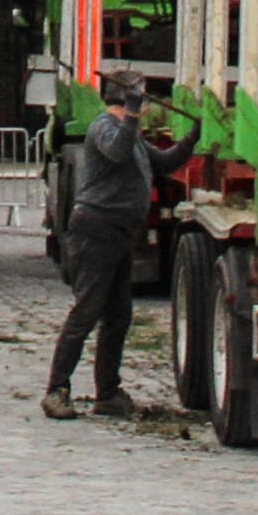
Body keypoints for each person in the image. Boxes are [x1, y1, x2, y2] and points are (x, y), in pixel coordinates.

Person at [43, 94, 187, 420]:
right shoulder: (103, 128)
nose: (148, 108)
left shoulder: (130, 135)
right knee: (86, 312)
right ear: (127, 102)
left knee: (119, 316)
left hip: (119, 234)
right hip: (95, 231)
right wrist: (133, 116)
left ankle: (106, 394)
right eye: (141, 100)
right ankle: (56, 390)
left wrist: (194, 136)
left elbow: (163, 164)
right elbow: (117, 151)